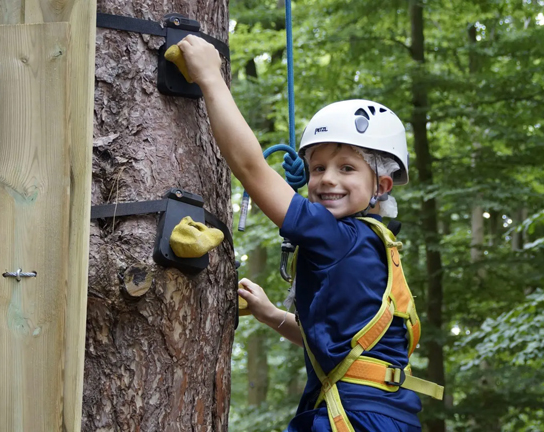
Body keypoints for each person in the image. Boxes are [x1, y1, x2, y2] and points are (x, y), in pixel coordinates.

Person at [178, 34, 441, 432]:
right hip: (386, 416)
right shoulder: (377, 245)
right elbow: (344, 347)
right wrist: (273, 317)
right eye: (318, 168)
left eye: (346, 168)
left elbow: (251, 169)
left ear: (381, 186)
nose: (326, 180)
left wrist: (210, 78)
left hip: (351, 416)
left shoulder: (339, 237)